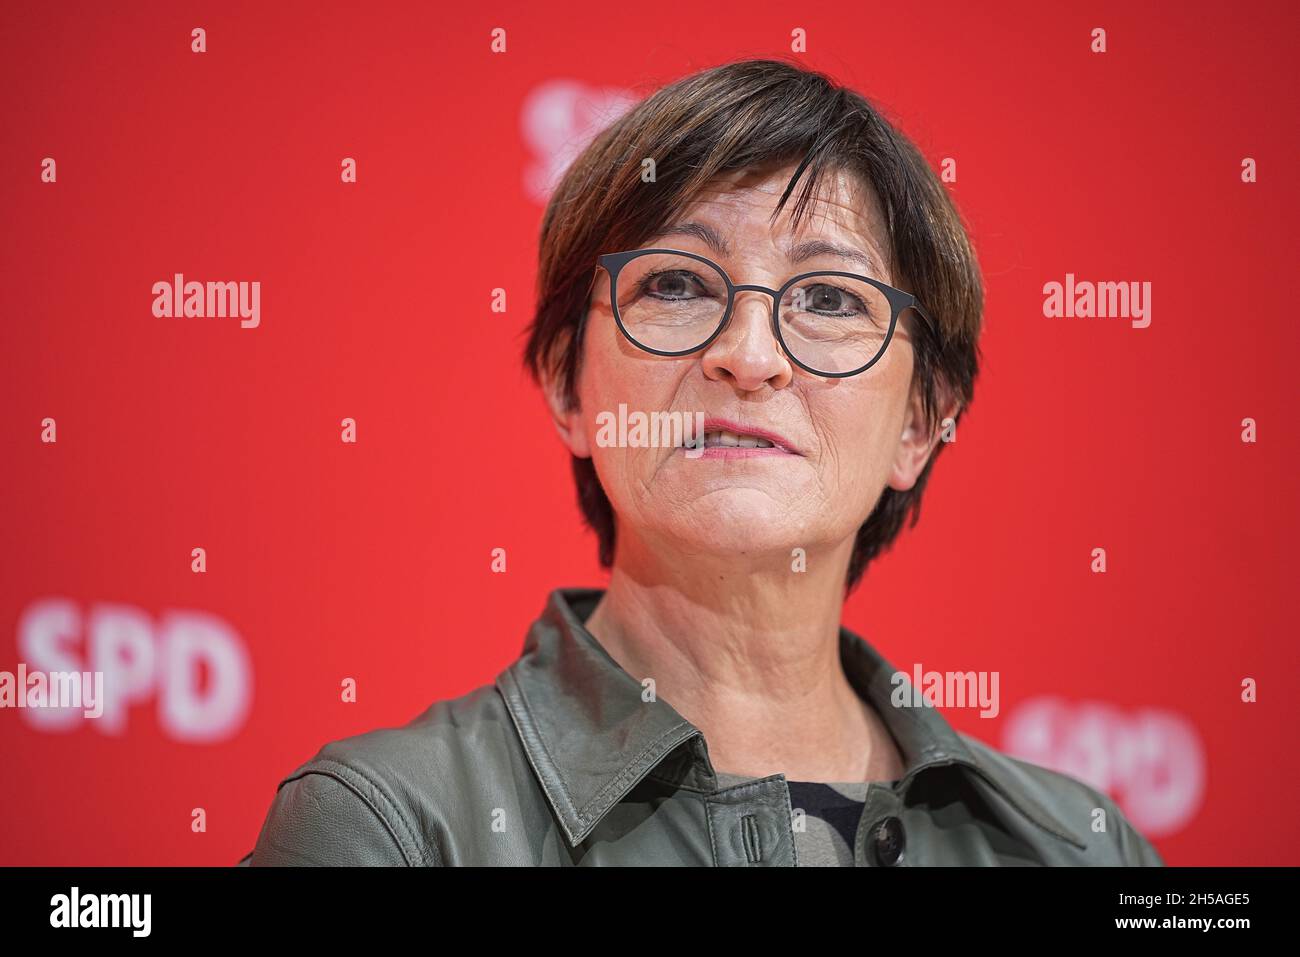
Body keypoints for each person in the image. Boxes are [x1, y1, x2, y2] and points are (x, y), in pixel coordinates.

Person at [242, 57, 1164, 866]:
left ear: (922, 422)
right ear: (568, 387)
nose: (750, 353)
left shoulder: (1080, 847)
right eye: (676, 282)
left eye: (831, 298)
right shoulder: (389, 831)